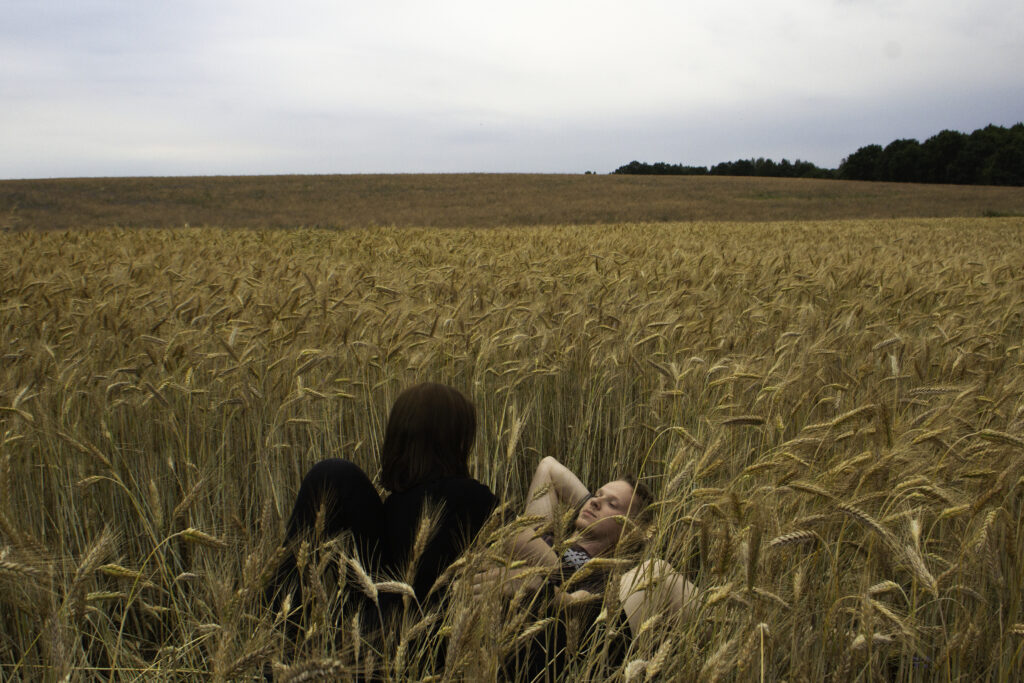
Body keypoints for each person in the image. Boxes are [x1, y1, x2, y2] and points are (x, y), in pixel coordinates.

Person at [266, 382, 497, 628]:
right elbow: (525, 538)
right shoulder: (472, 497)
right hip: (430, 641)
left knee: (333, 473)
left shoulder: (387, 509)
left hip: (371, 631)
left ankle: (280, 631)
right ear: (454, 442)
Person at [471, 456, 695, 679]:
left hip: (548, 649)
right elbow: (548, 467)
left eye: (612, 504)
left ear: (632, 530)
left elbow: (583, 604)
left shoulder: (611, 574)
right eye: (597, 494)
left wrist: (542, 586)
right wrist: (593, 504)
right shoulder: (544, 535)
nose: (595, 501)